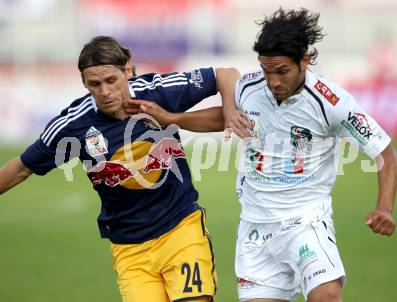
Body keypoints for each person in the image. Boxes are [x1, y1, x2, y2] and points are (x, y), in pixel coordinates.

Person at [134, 7, 397, 302]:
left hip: (306, 221)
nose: (273, 81)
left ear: (304, 60)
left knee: (326, 296)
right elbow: (226, 117)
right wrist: (173, 119)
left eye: (282, 71)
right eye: (266, 71)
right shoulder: (249, 86)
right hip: (255, 230)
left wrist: (384, 208)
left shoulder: (331, 101)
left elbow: (384, 151)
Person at [0, 36, 240, 302]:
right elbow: (21, 168)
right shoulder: (72, 126)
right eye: (95, 84)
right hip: (130, 248)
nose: (104, 91)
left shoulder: (157, 91)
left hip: (181, 230)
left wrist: (229, 110)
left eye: (111, 81)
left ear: (127, 70)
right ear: (84, 83)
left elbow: (225, 75)